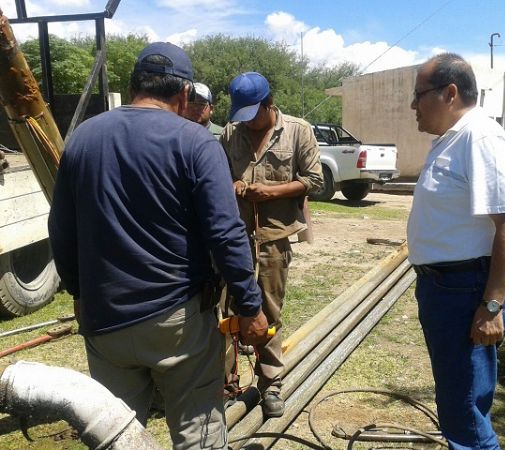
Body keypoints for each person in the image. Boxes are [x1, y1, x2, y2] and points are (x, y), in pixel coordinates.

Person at [47, 42, 270, 449]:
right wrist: (249, 305)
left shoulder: (82, 139)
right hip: (178, 323)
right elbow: (225, 232)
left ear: (134, 86)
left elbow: (62, 229)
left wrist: (79, 292)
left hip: (106, 319)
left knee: (118, 433)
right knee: (197, 432)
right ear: (184, 94)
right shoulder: (196, 142)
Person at [407, 53, 505, 450]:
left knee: (465, 413)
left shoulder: (481, 138)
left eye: (419, 95)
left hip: (467, 289)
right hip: (446, 289)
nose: (413, 106)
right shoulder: (452, 140)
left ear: (450, 93)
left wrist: (491, 306)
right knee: (456, 404)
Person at [219, 71, 323, 418]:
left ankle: (270, 383)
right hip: (233, 237)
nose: (247, 124)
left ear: (269, 104)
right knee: (227, 310)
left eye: (253, 115)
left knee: (267, 310)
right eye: (241, 117)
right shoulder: (231, 132)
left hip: (274, 238)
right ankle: (228, 382)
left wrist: (273, 192)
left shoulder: (297, 130)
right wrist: (234, 183)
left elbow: (314, 181)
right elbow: (217, 173)